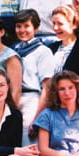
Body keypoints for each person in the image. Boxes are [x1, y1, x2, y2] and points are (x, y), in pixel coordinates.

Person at [12, 9, 55, 147]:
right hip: (13, 100)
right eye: (19, 26)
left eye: (27, 26)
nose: (22, 30)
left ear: (36, 28)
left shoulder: (43, 51)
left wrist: (37, 118)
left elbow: (47, 87)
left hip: (31, 101)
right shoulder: (13, 50)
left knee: (28, 145)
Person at [49, 6, 79, 92]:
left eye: (60, 24)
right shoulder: (52, 48)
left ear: (74, 24)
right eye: (54, 23)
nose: (55, 28)